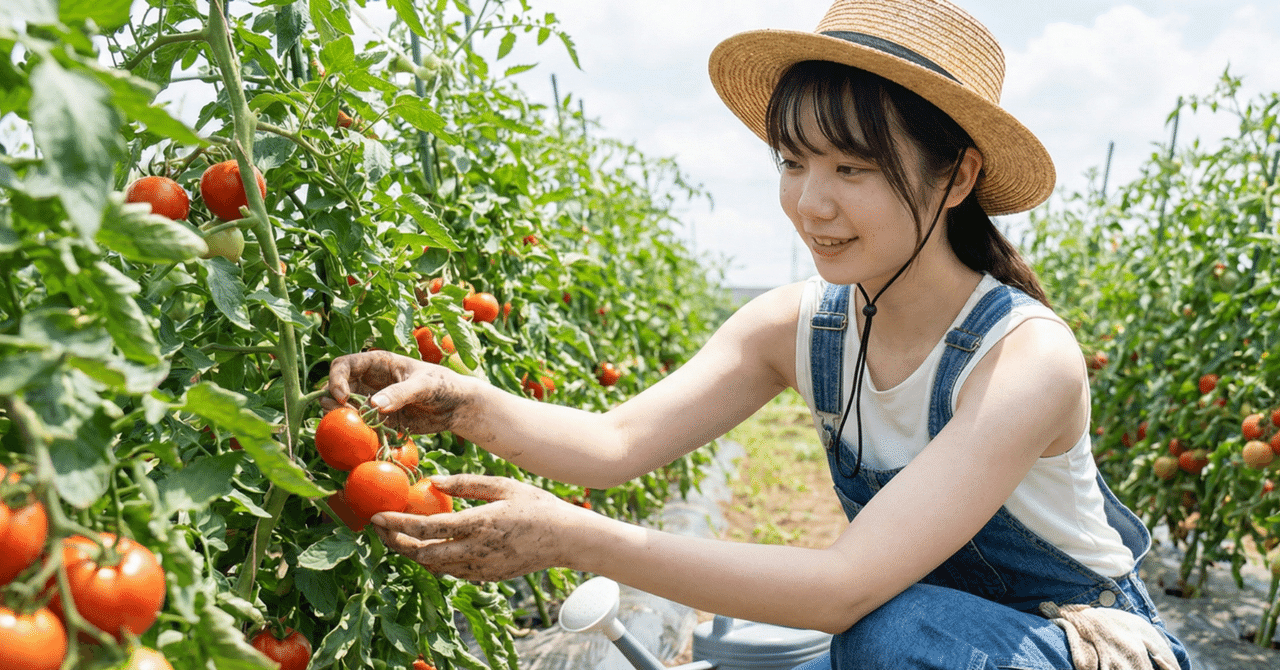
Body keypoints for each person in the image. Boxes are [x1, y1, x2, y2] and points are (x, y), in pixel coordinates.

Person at [323, 1, 1190, 668]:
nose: (812, 202)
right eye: (793, 160)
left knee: (890, 628)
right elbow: (616, 441)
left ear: (957, 174)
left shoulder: (1023, 358)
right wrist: (464, 402)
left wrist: (573, 536)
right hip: (929, 643)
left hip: (1076, 646)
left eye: (853, 168)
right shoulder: (799, 326)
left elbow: (845, 589)